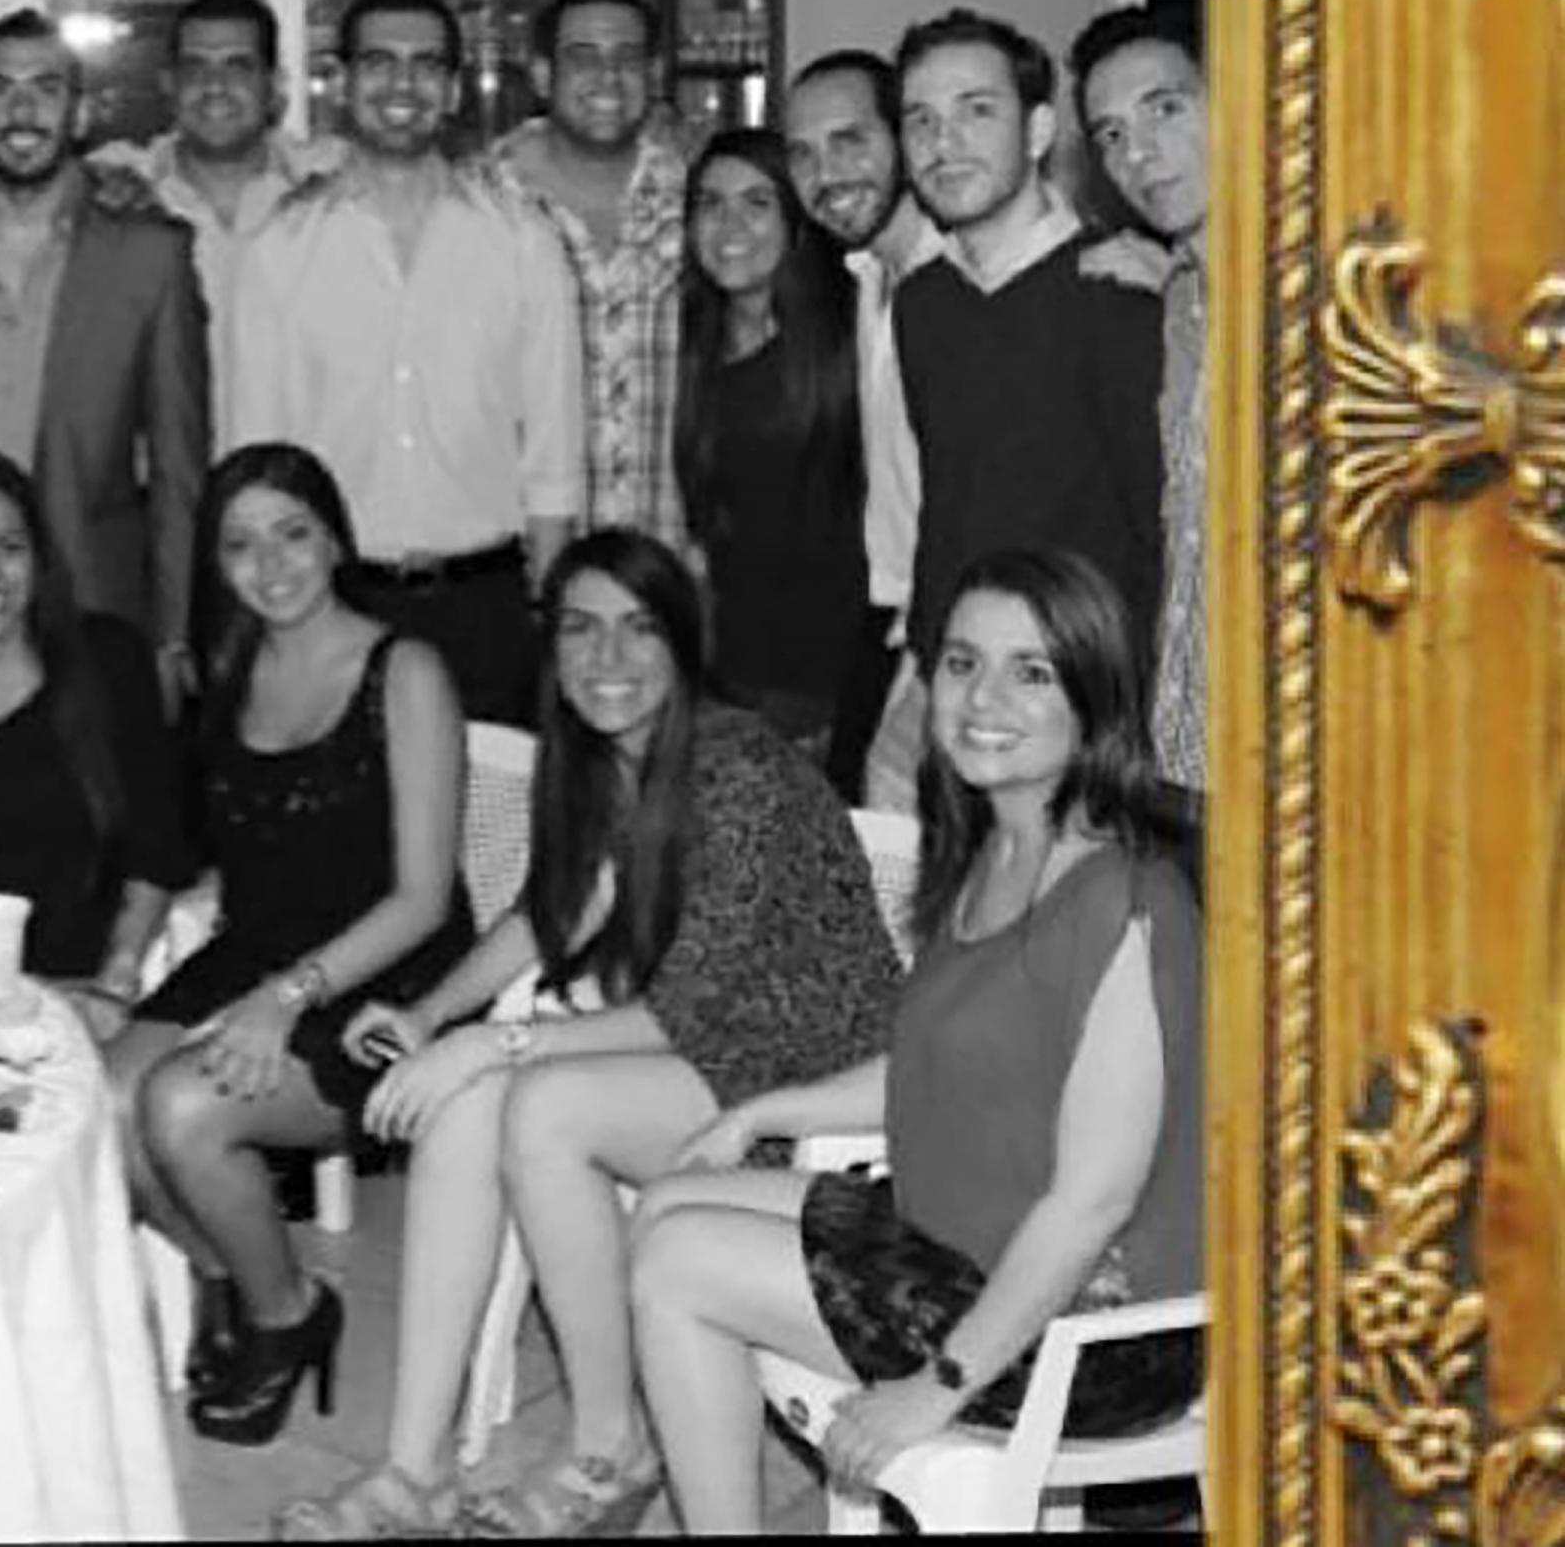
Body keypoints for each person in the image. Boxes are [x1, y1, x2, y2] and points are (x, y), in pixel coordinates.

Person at [273, 528, 902, 1540]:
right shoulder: (610, 756)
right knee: (467, 1109)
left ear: (682, 642)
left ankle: (609, 1451)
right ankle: (412, 1470)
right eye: (580, 630)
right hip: (708, 1059)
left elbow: (687, 1009)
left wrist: (495, 1040)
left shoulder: (733, 765)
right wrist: (434, 1016)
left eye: (637, 629)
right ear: (552, 646)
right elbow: (554, 912)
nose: (607, 659)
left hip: (812, 1085)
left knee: (539, 1101)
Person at [629, 547, 1202, 1535]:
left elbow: (1092, 1200)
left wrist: (935, 1385)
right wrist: (766, 1112)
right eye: (962, 662)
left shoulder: (1126, 897)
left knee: (678, 1258)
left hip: (1092, 1326)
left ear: (1096, 700)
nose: (985, 698)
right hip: (963, 1235)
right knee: (669, 1200)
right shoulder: (998, 842)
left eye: (1032, 672)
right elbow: (944, 1061)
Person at [114, 443, 475, 1448]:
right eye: (240, 545)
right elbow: (224, 861)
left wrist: (285, 999)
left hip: (388, 981)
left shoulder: (405, 669)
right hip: (261, 950)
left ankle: (287, 1318)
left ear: (335, 538)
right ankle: (246, 1269)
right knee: (99, 1109)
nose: (271, 566)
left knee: (180, 1110)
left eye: (293, 534)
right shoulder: (228, 670)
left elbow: (422, 894)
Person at [227, 0, 583, 725]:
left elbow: (553, 464)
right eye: (380, 62)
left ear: (452, 89)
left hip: (488, 613)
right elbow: (254, 464)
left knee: (493, 838)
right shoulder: (276, 250)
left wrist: (552, 628)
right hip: (332, 604)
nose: (402, 84)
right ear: (344, 83)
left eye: (425, 65)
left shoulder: (523, 241)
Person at [0, 8, 210, 687]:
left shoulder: (151, 255)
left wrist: (174, 633)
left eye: (46, 88)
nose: (21, 109)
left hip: (88, 595)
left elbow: (180, 465)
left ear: (80, 115)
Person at [890, 9, 1163, 675]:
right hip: (963, 681)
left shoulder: (1121, 292)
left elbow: (1162, 532)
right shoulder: (922, 302)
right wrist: (922, 670)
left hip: (1088, 689)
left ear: (1038, 130)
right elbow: (947, 509)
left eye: (976, 110)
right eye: (920, 120)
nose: (943, 143)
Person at [0, 448, 194, 1027]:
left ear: (40, 557)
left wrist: (115, 983)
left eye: (8, 548)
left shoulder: (110, 659)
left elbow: (156, 852)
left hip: (93, 994)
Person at [672, 128, 869, 757]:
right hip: (725, 678)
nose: (730, 223)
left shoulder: (851, 336)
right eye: (709, 203)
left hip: (826, 688)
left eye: (757, 203)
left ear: (797, 219)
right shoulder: (691, 342)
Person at [784, 49, 947, 805]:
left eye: (851, 141)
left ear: (905, 138)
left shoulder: (960, 283)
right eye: (804, 154)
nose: (827, 173)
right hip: (891, 618)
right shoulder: (867, 278)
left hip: (951, 631)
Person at [490, 0, 695, 553]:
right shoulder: (478, 207)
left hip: (668, 566)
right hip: (522, 567)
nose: (608, 77)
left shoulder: (702, 201)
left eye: (628, 57)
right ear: (541, 75)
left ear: (654, 76)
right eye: (583, 57)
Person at [85, 0, 343, 432]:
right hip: (168, 491)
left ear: (274, 85)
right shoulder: (117, 194)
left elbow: (439, 177)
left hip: (302, 487)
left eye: (238, 66)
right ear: (168, 83)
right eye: (195, 67)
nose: (215, 87)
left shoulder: (333, 187)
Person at [1070, 2, 1208, 789]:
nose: (1140, 153)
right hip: (1185, 757)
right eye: (1112, 134)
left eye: (1165, 108)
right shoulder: (1177, 304)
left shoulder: (1339, 293)